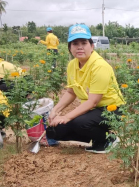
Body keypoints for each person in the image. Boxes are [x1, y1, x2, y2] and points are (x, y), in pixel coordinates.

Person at [46, 24, 125, 154]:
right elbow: (71, 92)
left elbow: (93, 102)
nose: (80, 47)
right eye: (75, 43)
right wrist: (55, 110)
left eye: (84, 43)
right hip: (93, 111)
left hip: (112, 110)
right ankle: (97, 137)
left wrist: (66, 117)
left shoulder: (100, 66)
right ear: (70, 48)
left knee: (79, 122)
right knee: (56, 130)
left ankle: (108, 140)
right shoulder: (72, 65)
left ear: (92, 46)